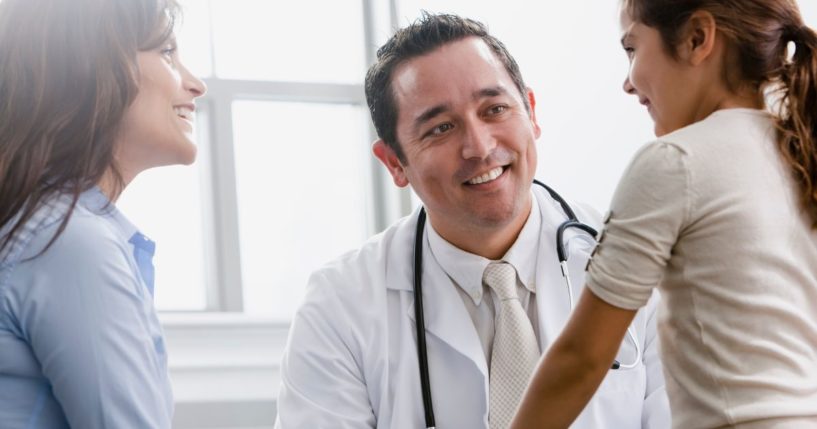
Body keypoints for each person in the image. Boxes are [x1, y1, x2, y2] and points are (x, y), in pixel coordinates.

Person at [275, 13, 669, 429]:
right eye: (441, 128)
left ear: (531, 113)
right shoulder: (340, 305)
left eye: (495, 109)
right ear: (394, 163)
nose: (479, 147)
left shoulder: (642, 263)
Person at [512, 1, 817, 428]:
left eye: (632, 49)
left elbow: (582, 359)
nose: (627, 83)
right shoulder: (800, 153)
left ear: (697, 39)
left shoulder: (675, 162)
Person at [0, 0, 206, 427]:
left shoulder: (40, 225)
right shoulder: (68, 243)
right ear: (92, 68)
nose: (196, 84)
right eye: (167, 53)